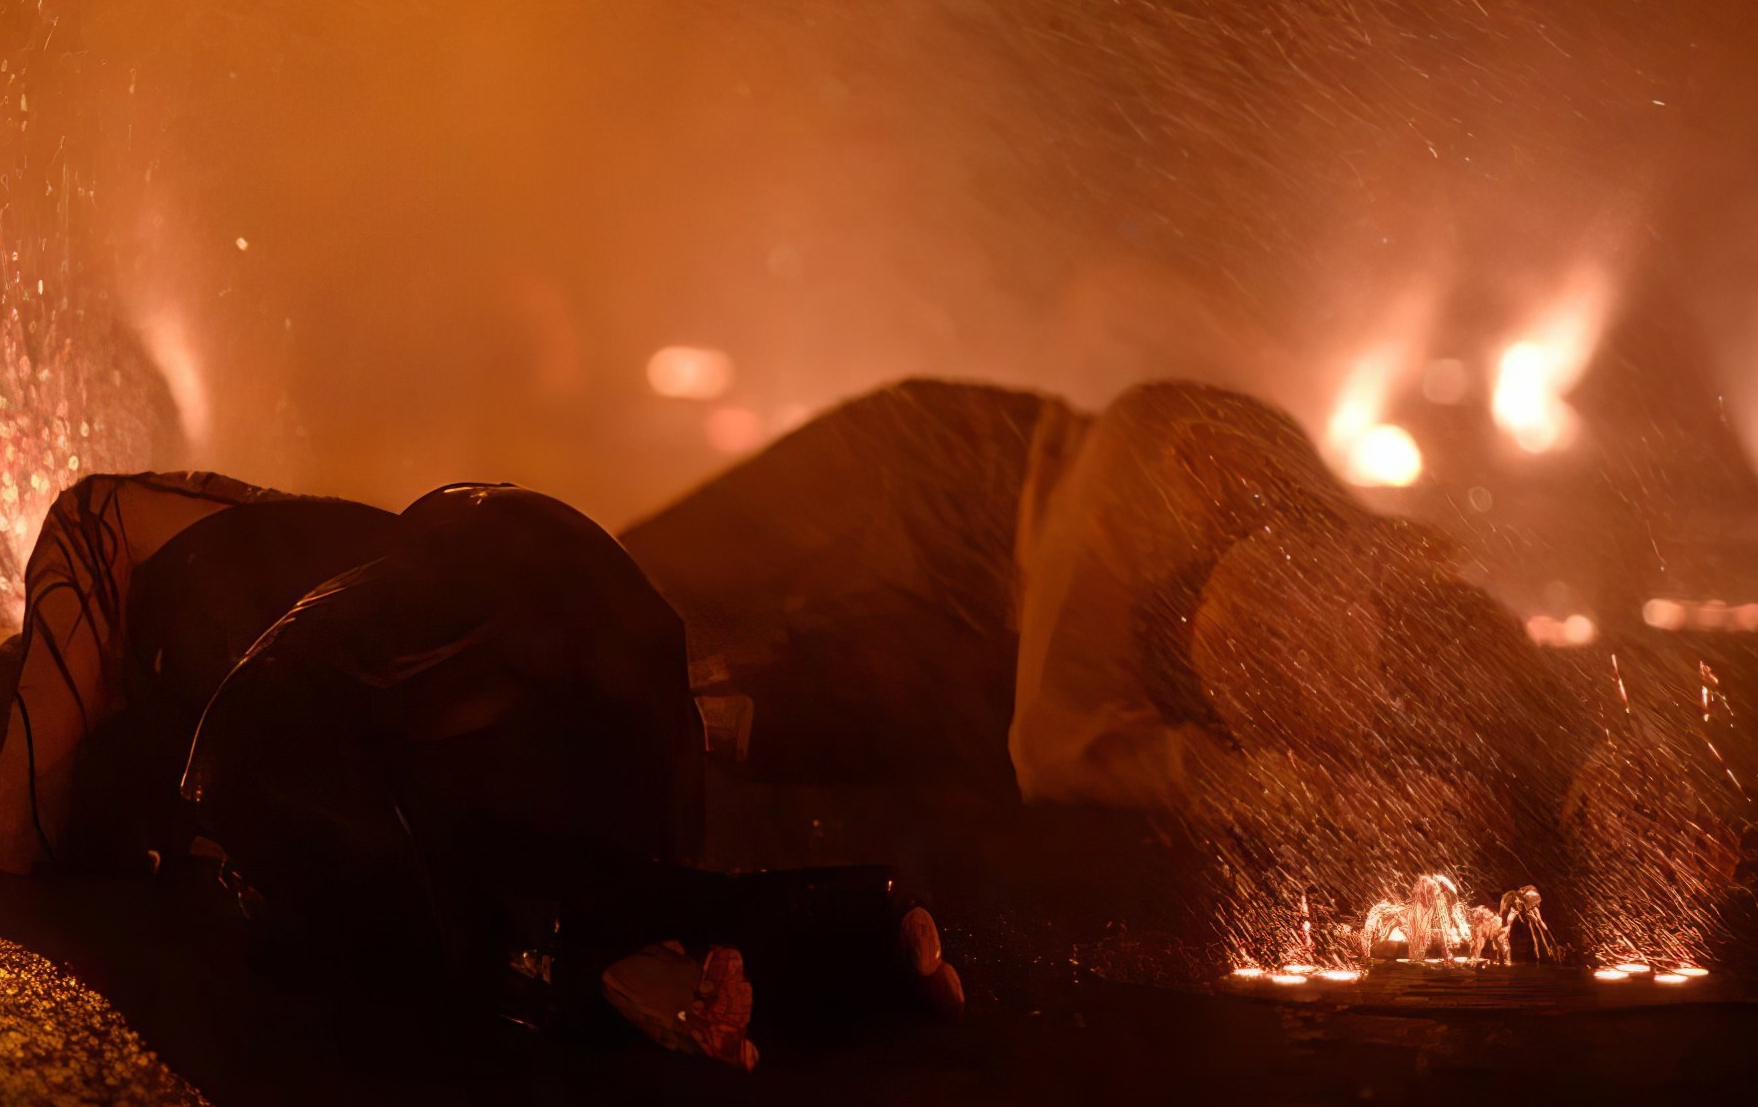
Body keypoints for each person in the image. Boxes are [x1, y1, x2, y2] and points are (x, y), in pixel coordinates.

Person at [0, 473, 959, 1070]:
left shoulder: (110, 541)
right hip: (596, 773)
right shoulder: (175, 734)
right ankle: (848, 938)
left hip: (525, 579)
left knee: (244, 774)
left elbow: (24, 823)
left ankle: (600, 960)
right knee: (294, 913)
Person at [624, 379, 1612, 918]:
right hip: (908, 473)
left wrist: (1589, 773)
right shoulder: (1158, 479)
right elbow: (1052, 748)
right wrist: (1294, 792)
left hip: (958, 607)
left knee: (686, 679)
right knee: (632, 582)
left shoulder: (1358, 566)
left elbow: (1481, 655)